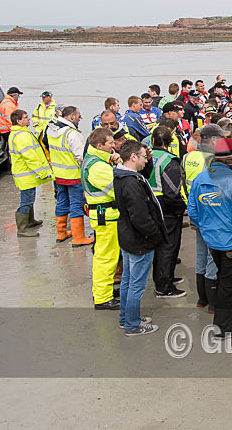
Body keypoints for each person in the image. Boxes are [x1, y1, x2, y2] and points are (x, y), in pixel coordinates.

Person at [187, 138, 232, 338]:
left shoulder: (199, 178)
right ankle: (223, 327)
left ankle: (223, 318)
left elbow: (192, 211)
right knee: (230, 282)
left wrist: (206, 226)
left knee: (222, 276)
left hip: (211, 239)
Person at [114, 140, 162, 335]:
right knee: (136, 284)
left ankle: (126, 317)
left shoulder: (123, 175)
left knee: (127, 279)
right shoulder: (131, 183)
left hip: (127, 235)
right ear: (133, 157)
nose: (145, 161)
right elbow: (140, 217)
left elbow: (145, 174)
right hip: (139, 240)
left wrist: (149, 161)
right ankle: (132, 324)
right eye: (143, 157)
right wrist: (155, 233)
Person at [82, 128, 122, 309]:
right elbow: (119, 188)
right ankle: (103, 297)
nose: (114, 146)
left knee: (105, 255)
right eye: (110, 143)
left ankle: (104, 290)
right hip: (106, 216)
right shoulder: (97, 167)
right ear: (100, 146)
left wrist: (113, 160)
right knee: (106, 257)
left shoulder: (96, 160)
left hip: (104, 216)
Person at [149, 126, 187, 299]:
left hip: (152, 204)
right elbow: (172, 192)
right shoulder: (169, 161)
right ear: (170, 142)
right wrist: (181, 209)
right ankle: (164, 286)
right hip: (167, 207)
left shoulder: (149, 156)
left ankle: (165, 277)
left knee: (161, 246)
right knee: (168, 246)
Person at [47, 105, 93, 246]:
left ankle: (61, 233)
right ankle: (78, 237)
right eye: (79, 116)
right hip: (73, 175)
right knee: (76, 205)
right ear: (72, 117)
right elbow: (81, 157)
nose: (81, 118)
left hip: (59, 175)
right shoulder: (72, 134)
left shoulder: (51, 129)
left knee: (61, 202)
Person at [8, 109, 52, 237]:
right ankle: (22, 229)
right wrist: (42, 172)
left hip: (25, 174)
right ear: (18, 121)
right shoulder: (21, 136)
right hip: (25, 174)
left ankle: (30, 221)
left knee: (30, 198)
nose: (28, 119)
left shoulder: (21, 132)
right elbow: (30, 157)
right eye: (25, 117)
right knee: (26, 201)